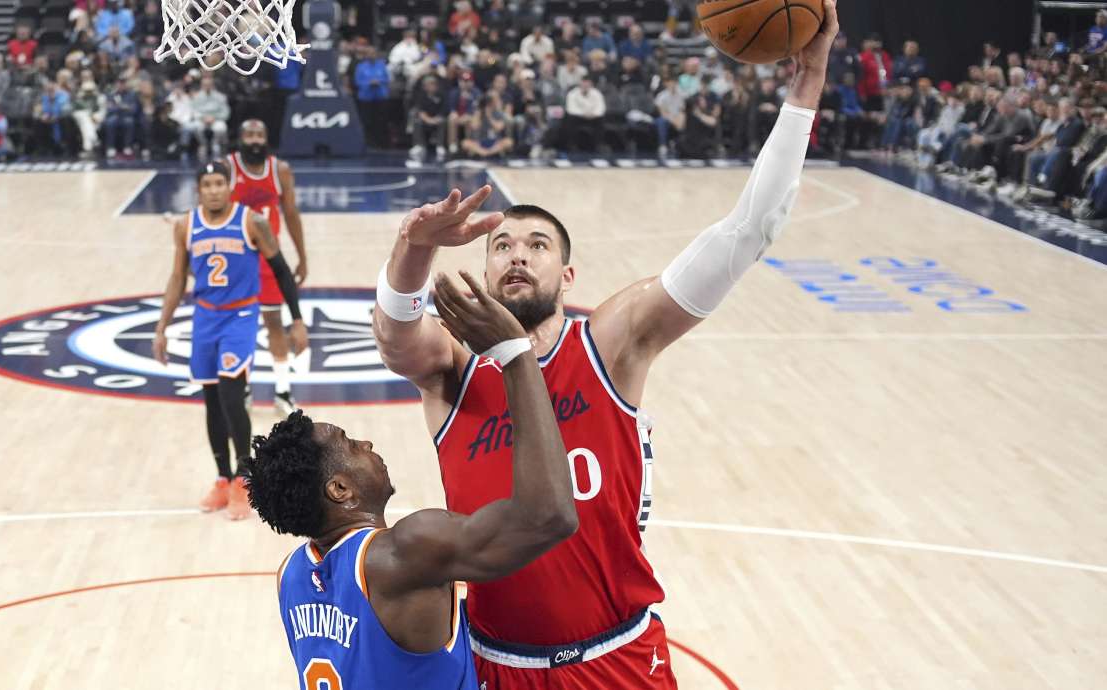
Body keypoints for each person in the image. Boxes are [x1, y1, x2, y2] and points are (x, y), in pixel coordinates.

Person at [371, 2, 839, 687]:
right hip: (497, 662)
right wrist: (412, 248)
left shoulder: (612, 343)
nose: (517, 254)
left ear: (568, 276)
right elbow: (394, 340)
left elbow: (749, 231)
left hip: (616, 658)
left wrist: (808, 81)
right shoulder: (454, 369)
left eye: (538, 245)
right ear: (485, 271)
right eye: (502, 245)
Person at [248, 269, 577, 690]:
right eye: (350, 444)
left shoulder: (290, 577)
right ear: (340, 490)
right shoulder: (408, 552)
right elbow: (549, 516)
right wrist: (515, 353)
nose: (366, 443)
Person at [152, 160, 306, 520]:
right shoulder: (186, 226)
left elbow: (282, 270)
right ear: (199, 189)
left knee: (232, 394)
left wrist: (296, 320)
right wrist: (162, 327)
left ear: (229, 186)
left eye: (219, 183)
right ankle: (222, 478)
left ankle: (243, 478)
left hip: (240, 316)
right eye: (207, 184)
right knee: (211, 399)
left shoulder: (251, 222)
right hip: (205, 316)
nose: (214, 190)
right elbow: (177, 278)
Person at [226, 119, 308, 413]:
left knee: (275, 323)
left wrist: (302, 256)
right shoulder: (228, 168)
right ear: (240, 138)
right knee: (239, 326)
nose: (255, 140)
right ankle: (243, 388)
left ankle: (282, 391)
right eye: (249, 135)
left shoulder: (279, 170)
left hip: (268, 259)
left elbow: (291, 213)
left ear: (267, 139)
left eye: (259, 135)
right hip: (236, 259)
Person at [411, 74, 448, 162]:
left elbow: (443, 111)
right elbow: (421, 112)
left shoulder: (441, 95)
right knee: (417, 121)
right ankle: (419, 145)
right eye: (429, 84)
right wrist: (429, 120)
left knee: (443, 122)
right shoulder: (421, 96)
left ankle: (440, 146)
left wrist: (436, 119)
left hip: (437, 119)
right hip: (426, 119)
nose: (431, 86)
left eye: (433, 84)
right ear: (425, 86)